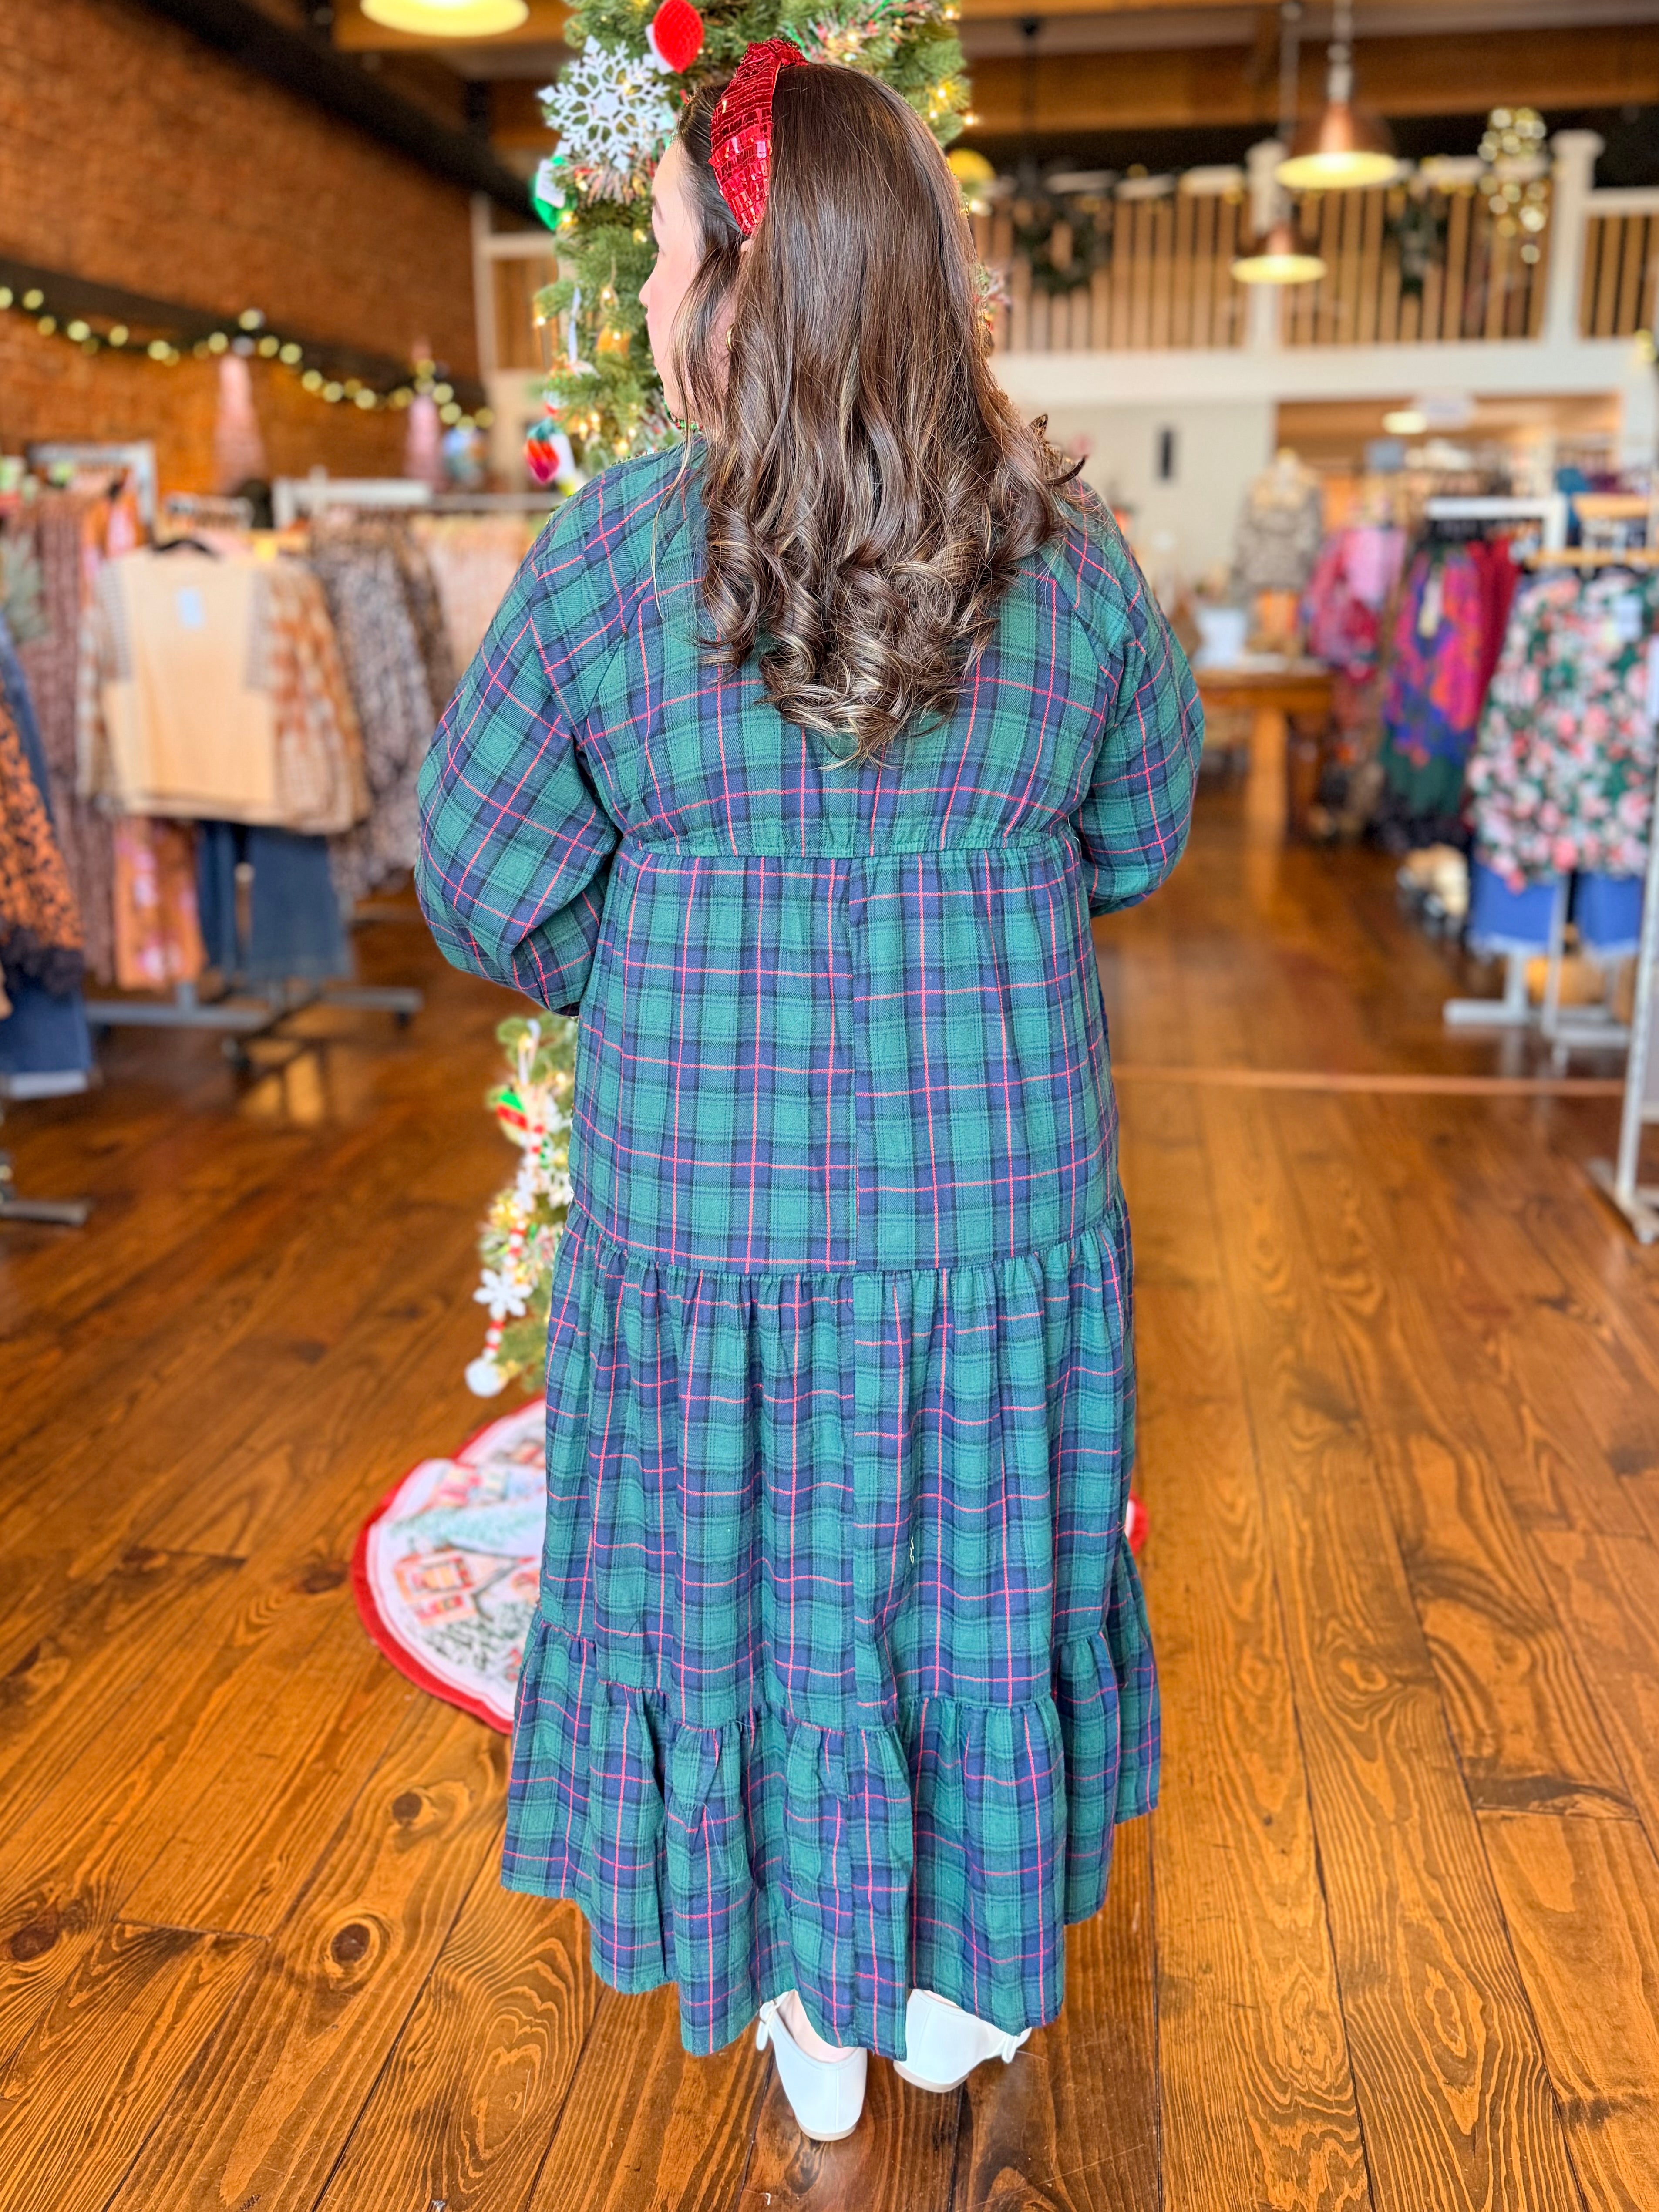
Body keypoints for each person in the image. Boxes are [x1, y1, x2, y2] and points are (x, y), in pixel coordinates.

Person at [416, 42, 1198, 2145]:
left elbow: (478, 880)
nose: (656, 300)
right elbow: (1133, 839)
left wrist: (659, 959)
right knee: (972, 1555)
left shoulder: (608, 558)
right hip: (990, 1197)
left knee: (738, 1570)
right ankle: (955, 1987)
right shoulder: (1072, 560)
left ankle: (803, 2005)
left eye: (668, 258)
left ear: (745, 286)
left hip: (709, 1208)